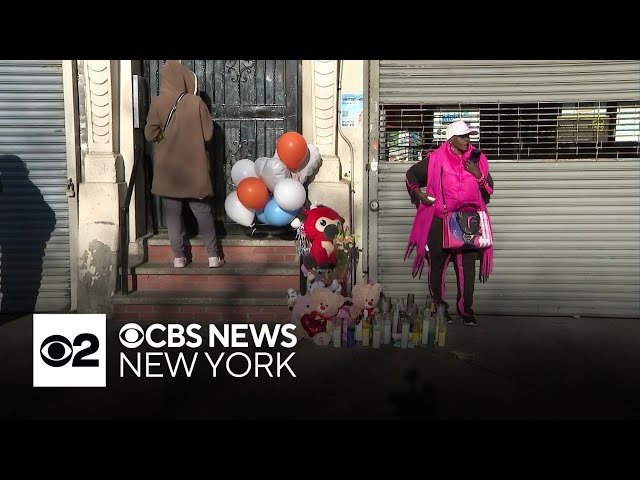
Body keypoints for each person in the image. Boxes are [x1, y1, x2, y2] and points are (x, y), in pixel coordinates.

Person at [404, 120, 494, 326]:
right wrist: (419, 194)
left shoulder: (477, 159)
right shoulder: (436, 159)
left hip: (468, 220)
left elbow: (489, 189)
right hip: (440, 220)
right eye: (462, 136)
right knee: (437, 266)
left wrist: (478, 174)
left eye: (468, 135)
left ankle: (466, 310)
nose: (467, 139)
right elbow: (412, 175)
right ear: (451, 139)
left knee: (467, 268)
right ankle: (439, 307)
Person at [144, 60, 223, 268]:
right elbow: (208, 135)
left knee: (173, 215)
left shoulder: (158, 102)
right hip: (194, 169)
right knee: (203, 212)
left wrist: (165, 137)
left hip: (169, 172)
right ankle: (213, 256)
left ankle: (179, 257)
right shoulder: (196, 103)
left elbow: (150, 134)